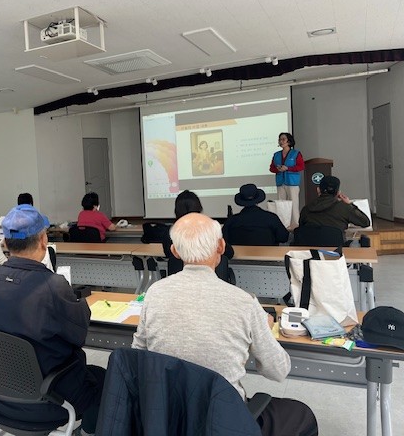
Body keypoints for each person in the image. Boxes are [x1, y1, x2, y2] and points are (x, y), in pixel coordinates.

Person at [133, 213, 318, 436]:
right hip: (221, 421)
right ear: (221, 246)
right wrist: (264, 329)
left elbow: (138, 355)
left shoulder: (154, 293)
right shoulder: (244, 302)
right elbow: (278, 370)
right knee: (302, 414)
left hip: (167, 417)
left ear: (174, 251)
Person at [0, 204, 105, 435]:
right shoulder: (52, 285)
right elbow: (78, 335)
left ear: (5, 243)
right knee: (106, 378)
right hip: (49, 397)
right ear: (43, 240)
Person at [161, 190, 234, 282]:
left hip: (179, 283)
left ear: (176, 210)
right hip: (210, 283)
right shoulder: (209, 229)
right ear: (198, 207)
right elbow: (229, 253)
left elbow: (168, 254)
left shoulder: (170, 232)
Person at [222, 184, 289, 245]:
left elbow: (224, 240)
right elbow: (284, 238)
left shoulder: (232, 221)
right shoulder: (271, 217)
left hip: (238, 255)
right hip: (267, 254)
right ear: (258, 199)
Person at [299, 176, 370, 232]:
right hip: (337, 245)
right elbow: (365, 222)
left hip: (311, 245)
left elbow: (301, 228)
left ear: (318, 190)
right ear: (338, 192)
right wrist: (349, 204)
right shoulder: (345, 208)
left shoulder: (306, 209)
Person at [269, 132, 304, 228]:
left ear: (289, 141)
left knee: (294, 204)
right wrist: (278, 169)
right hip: (280, 182)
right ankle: (283, 226)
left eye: (283, 139)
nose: (281, 141)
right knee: (281, 205)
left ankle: (295, 225)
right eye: (280, 139)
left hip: (292, 182)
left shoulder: (296, 153)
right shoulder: (276, 154)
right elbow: (271, 168)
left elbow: (301, 166)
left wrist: (288, 168)